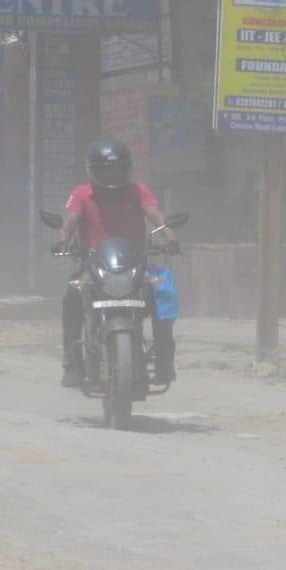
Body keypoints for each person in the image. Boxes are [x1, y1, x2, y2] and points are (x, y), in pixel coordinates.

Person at [58, 139, 176, 388]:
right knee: (70, 298)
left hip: (135, 265)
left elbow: (156, 216)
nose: (111, 175)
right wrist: (62, 241)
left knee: (163, 297)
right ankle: (72, 363)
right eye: (105, 170)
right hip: (92, 266)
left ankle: (165, 361)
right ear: (93, 170)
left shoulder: (139, 191)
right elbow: (70, 222)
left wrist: (170, 237)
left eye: (116, 169)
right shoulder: (81, 193)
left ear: (126, 169)